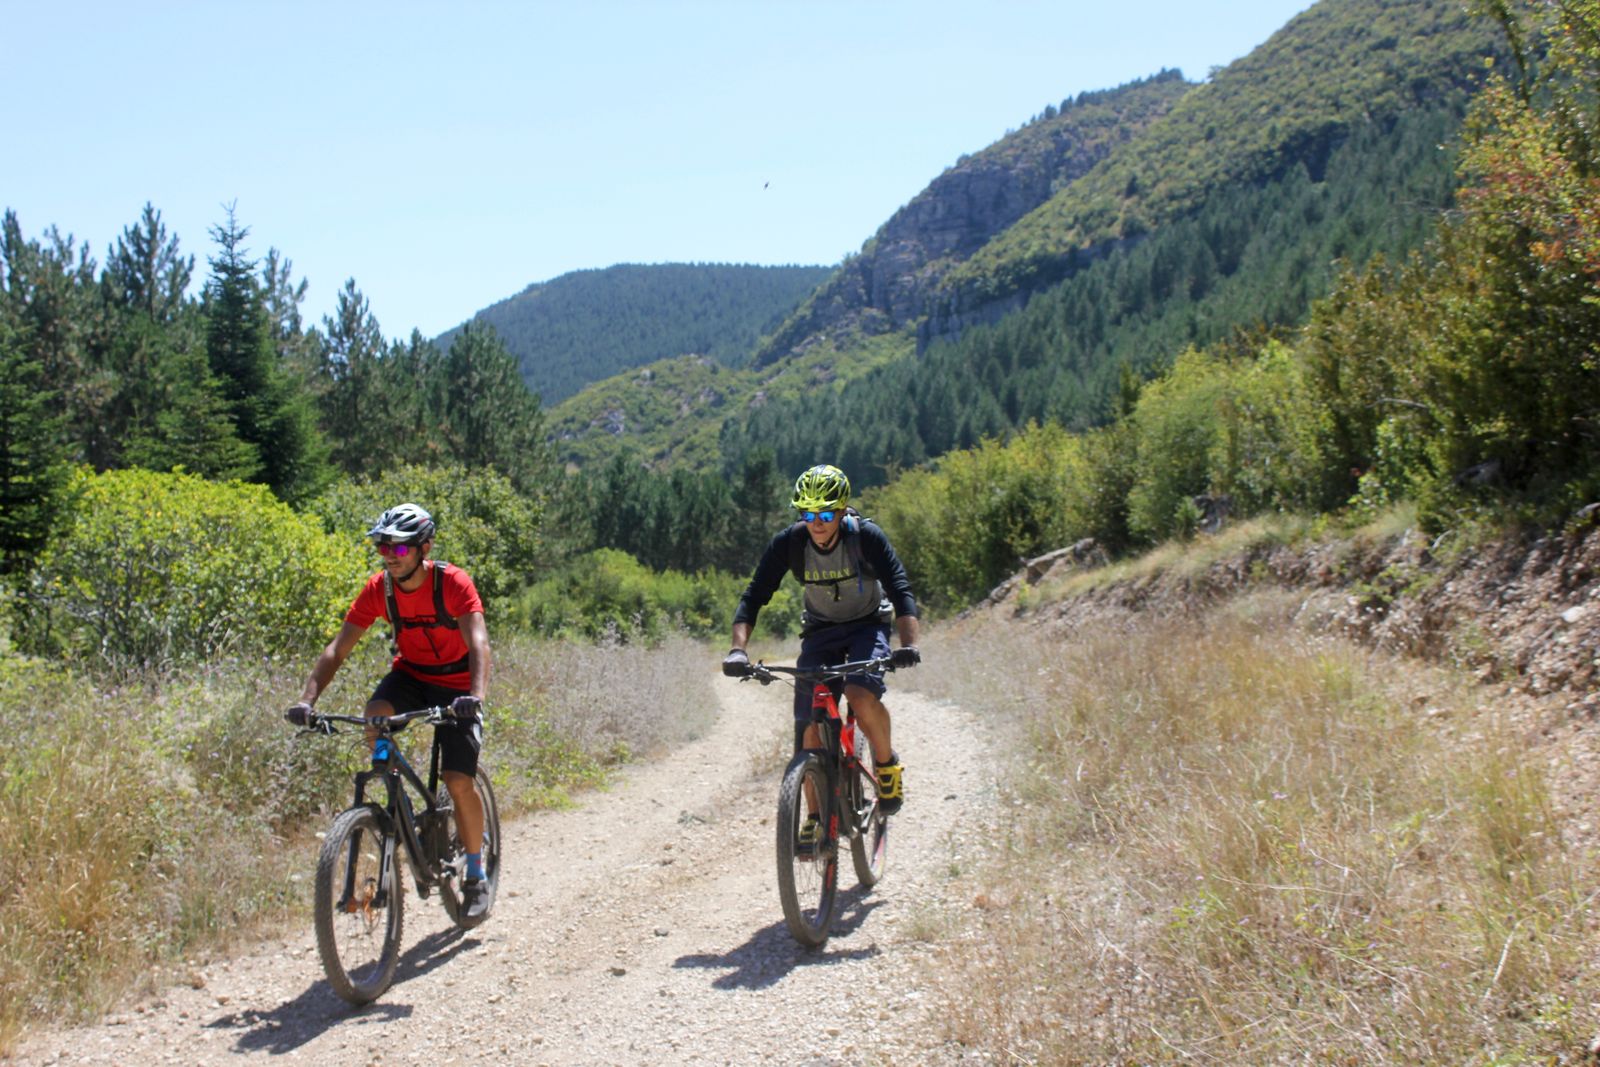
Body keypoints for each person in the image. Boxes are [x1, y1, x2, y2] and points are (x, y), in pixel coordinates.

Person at [285, 502, 494, 918]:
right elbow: (337, 649)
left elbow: (478, 643)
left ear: (424, 548)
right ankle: (393, 795)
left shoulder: (451, 583)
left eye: (399, 550)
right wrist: (307, 700)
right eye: (384, 549)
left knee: (457, 779)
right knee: (374, 714)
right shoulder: (379, 590)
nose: (390, 558)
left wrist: (474, 697)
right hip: (412, 676)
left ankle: (476, 874)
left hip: (456, 684)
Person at [722, 464, 921, 832]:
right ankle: (815, 820)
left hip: (867, 625)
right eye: (808, 513)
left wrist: (908, 645)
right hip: (820, 631)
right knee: (807, 726)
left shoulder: (867, 538)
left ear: (842, 511)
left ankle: (886, 763)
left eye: (826, 513)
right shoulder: (790, 543)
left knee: (859, 694)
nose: (817, 522)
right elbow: (754, 597)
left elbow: (899, 588)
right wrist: (738, 651)